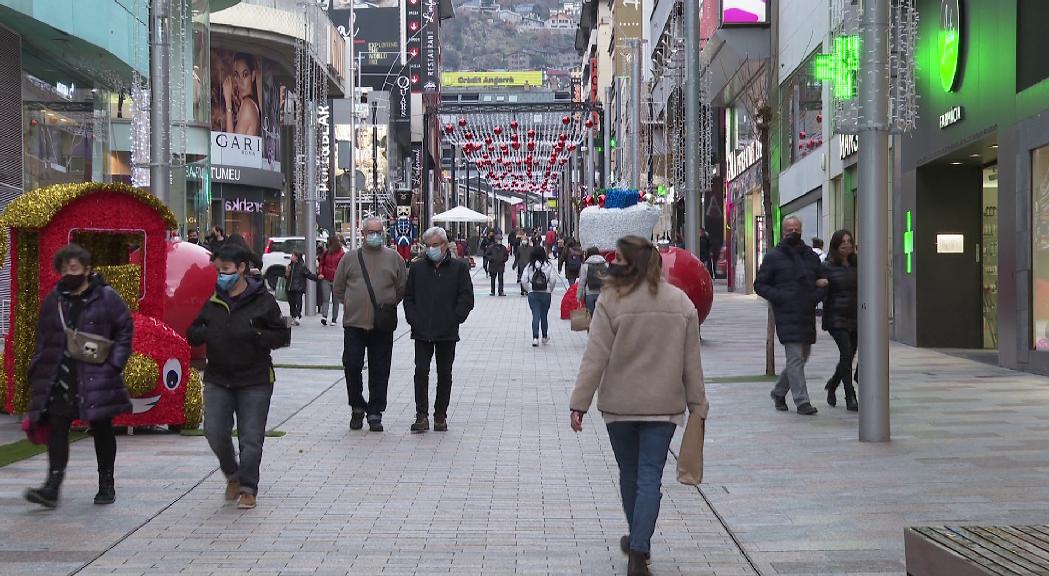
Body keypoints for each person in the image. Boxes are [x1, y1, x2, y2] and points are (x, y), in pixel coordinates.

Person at [569, 235, 708, 576]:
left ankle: (637, 540)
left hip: (620, 405)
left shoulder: (611, 300)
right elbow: (692, 363)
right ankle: (639, 548)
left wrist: (580, 404)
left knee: (630, 473)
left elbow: (595, 356)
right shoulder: (681, 303)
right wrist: (698, 404)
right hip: (664, 406)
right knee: (649, 477)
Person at [24, 244, 134, 509]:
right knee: (57, 427)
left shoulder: (106, 297)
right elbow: (44, 338)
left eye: (74, 268)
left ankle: (106, 482)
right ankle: (52, 485)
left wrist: (114, 364)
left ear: (87, 269)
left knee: (102, 427)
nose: (68, 273)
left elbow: (124, 329)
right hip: (60, 374)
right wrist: (39, 367)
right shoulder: (54, 299)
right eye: (64, 269)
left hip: (96, 373)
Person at [189, 244, 287, 510]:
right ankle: (232, 473)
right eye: (218, 270)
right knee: (214, 432)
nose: (221, 275)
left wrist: (256, 335)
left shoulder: (263, 300)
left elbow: (282, 335)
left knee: (251, 438)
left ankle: (248, 488)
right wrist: (206, 334)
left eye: (226, 270)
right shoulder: (213, 300)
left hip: (254, 379)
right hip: (218, 377)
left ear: (242, 268)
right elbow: (194, 330)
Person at [333, 216, 408, 432]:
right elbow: (338, 288)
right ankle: (357, 405)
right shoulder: (349, 259)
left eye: (378, 232)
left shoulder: (394, 258)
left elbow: (401, 287)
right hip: (354, 324)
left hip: (381, 324)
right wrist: (350, 302)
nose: (374, 236)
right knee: (352, 365)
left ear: (382, 233)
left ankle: (375, 411)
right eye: (370, 232)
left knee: (380, 368)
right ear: (363, 233)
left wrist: (388, 303)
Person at [754, 216, 827, 416]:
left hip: (806, 312)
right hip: (786, 314)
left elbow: (822, 280)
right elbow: (759, 285)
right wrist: (782, 297)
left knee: (802, 357)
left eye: (796, 229)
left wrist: (815, 297)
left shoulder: (810, 256)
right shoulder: (773, 257)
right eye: (789, 229)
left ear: (801, 230)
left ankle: (778, 392)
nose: (793, 232)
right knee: (795, 358)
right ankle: (802, 401)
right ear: (783, 232)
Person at [404, 227, 474, 433]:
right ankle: (421, 415)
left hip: (447, 331)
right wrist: (413, 319)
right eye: (428, 245)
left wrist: (455, 318)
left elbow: (466, 298)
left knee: (444, 373)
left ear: (445, 245)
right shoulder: (417, 268)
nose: (431, 249)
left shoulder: (458, 268)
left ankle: (440, 414)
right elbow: (409, 297)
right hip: (422, 330)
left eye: (435, 245)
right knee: (421, 372)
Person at [822, 230, 859, 411]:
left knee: (849, 355)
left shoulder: (858, 264)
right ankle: (850, 395)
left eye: (849, 241)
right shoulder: (827, 266)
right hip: (836, 318)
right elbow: (821, 292)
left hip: (856, 317)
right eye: (842, 242)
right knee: (846, 353)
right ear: (836, 245)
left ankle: (833, 384)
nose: (846, 244)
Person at [522, 245, 559, 347]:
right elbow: (553, 280)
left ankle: (535, 337)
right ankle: (544, 336)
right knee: (544, 315)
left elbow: (523, 280)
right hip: (545, 293)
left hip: (533, 293)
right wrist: (549, 289)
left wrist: (528, 289)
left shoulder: (529, 266)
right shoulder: (548, 265)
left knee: (535, 315)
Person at [222, 52, 260, 136]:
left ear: (253, 75)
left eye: (245, 75)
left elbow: (232, 144)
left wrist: (228, 104)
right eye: (237, 75)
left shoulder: (248, 105)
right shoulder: (249, 104)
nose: (240, 82)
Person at [317, 235, 345, 326]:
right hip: (326, 277)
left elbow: (343, 266)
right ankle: (324, 316)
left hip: (337, 279)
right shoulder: (326, 253)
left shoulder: (341, 253)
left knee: (335, 300)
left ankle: (334, 318)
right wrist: (321, 272)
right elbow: (322, 264)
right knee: (325, 298)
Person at [285, 251, 317, 325]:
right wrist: (287, 272)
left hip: (298, 287)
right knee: (291, 303)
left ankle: (298, 316)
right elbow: (286, 277)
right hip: (289, 287)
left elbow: (308, 274)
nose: (291, 257)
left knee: (298, 302)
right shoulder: (290, 265)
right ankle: (293, 316)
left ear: (296, 257)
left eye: (293, 255)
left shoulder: (301, 266)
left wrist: (316, 277)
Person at [577, 246, 607, 315]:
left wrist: (579, 296)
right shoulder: (605, 264)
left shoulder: (585, 266)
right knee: (602, 315)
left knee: (591, 315)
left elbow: (582, 282)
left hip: (589, 293)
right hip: (603, 293)